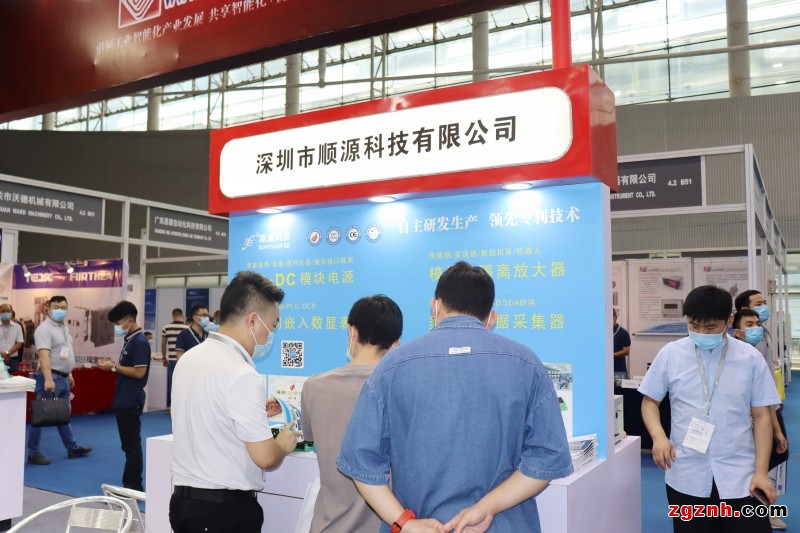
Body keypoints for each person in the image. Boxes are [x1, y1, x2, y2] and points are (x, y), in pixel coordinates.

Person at [337, 261, 573, 533]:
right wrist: (488, 507)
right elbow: (548, 458)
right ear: (491, 317)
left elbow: (361, 463)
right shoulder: (527, 364)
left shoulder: (392, 367)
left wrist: (405, 523)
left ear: (435, 306)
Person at [639, 285, 780, 533]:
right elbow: (650, 401)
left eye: (710, 327)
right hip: (686, 471)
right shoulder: (671, 354)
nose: (701, 333)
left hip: (740, 473)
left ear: (729, 321)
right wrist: (659, 437)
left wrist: (760, 471)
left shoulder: (749, 358)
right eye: (694, 326)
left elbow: (762, 417)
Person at [169, 271, 300, 533]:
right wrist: (284, 444)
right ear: (252, 320)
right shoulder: (242, 373)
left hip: (184, 505)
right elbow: (265, 457)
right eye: (271, 326)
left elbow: (207, 414)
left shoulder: (189, 358)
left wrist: (252, 411)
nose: (269, 336)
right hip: (224, 512)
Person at [301, 295, 403, 533]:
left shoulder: (314, 386)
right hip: (386, 524)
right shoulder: (401, 389)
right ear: (396, 343)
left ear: (352, 331)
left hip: (328, 525)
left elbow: (311, 440)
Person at [732, 309, 789, 531]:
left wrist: (776, 430)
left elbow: (765, 406)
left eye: (757, 323)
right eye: (749, 324)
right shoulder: (731, 359)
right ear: (736, 329)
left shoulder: (755, 356)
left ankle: (765, 512)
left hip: (759, 428)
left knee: (763, 473)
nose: (756, 328)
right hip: (738, 435)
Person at [27, 296, 92, 465]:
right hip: (50, 378)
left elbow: (64, 352)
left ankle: (72, 448)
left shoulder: (64, 328)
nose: (60, 310)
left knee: (62, 415)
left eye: (63, 307)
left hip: (62, 377)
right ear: (48, 309)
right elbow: (43, 356)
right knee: (41, 416)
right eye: (56, 307)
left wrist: (69, 374)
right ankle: (33, 453)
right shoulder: (44, 329)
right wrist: (48, 380)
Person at [96, 301, 151, 491]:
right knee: (129, 445)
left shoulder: (139, 341)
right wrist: (113, 366)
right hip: (124, 398)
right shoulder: (130, 339)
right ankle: (131, 484)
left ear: (129, 320)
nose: (117, 327)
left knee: (132, 445)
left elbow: (139, 372)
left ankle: (133, 486)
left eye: (118, 323)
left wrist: (113, 367)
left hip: (130, 400)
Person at [161, 308, 188, 414]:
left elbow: (163, 345)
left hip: (171, 359)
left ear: (173, 316)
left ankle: (173, 407)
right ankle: (183, 407)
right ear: (182, 315)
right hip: (184, 360)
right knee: (184, 384)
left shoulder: (166, 328)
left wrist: (164, 358)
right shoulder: (187, 328)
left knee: (172, 384)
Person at [0, 304, 24, 372]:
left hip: (13, 360)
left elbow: (19, 343)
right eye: (3, 311)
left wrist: (7, 353)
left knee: (13, 377)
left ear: (11, 312)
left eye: (8, 311)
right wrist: (2, 354)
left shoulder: (17, 327)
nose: (5, 313)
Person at [613, 308, 632, 378]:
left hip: (618, 369)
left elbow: (626, 351)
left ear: (615, 317)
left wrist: (612, 355)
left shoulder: (623, 333)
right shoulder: (601, 331)